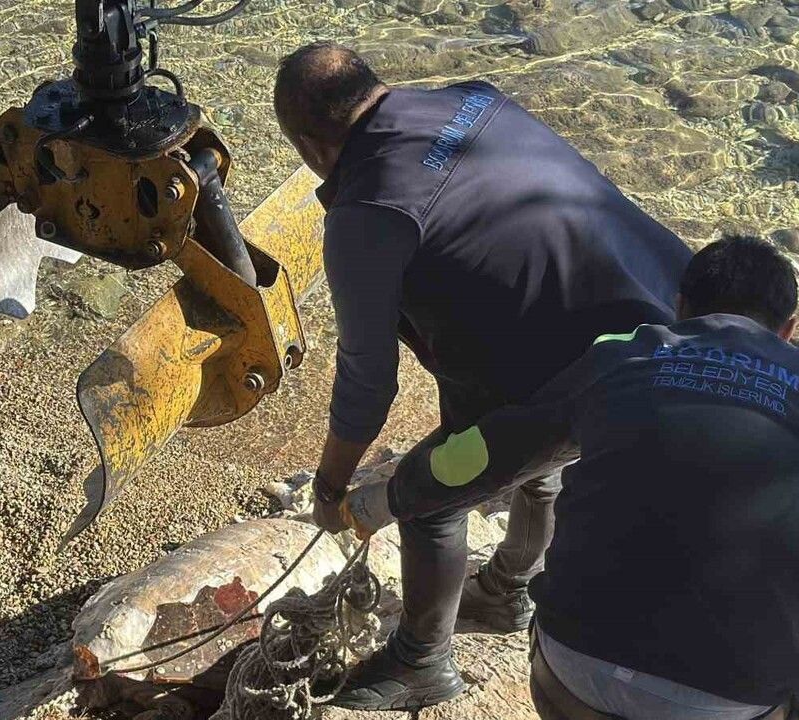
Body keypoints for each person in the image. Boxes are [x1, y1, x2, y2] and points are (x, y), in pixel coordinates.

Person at [272, 40, 693, 710]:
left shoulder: (366, 214)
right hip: (678, 313)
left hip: (605, 371)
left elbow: (367, 382)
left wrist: (329, 483)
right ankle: (506, 592)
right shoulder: (473, 97)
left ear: (308, 144)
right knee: (531, 453)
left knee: (430, 491)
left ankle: (420, 662)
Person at [342, 236, 799, 720]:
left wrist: (383, 500)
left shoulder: (619, 356)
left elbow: (488, 453)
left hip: (572, 676)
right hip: (730, 704)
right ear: (790, 329)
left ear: (679, 304)